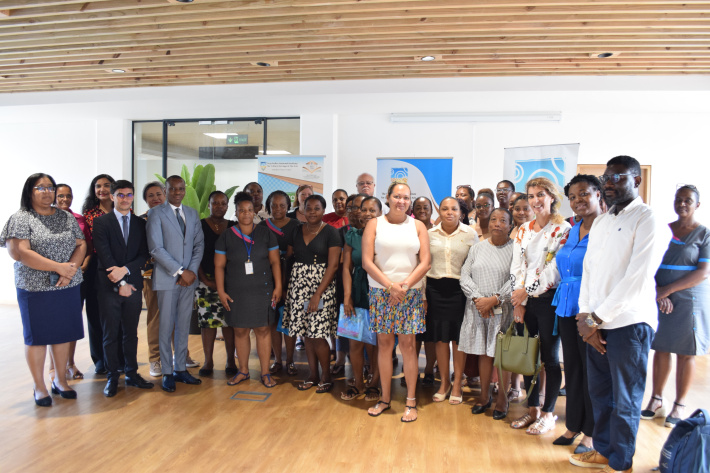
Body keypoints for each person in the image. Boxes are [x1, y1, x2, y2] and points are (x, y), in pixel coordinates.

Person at [570, 156, 670, 473]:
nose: (609, 183)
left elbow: (637, 278)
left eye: (618, 177)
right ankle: (603, 449)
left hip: (629, 324)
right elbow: (590, 272)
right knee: (601, 392)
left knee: (625, 397)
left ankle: (621, 461)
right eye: (607, 177)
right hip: (596, 323)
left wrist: (597, 318)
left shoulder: (647, 218)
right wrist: (586, 316)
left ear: (637, 181)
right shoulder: (601, 221)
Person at [1, 173, 86, 406]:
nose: (48, 192)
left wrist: (70, 271)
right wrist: (60, 268)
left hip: (66, 285)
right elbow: (21, 252)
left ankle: (60, 380)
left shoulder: (65, 218)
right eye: (41, 188)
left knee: (62, 335)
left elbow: (81, 244)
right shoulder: (21, 218)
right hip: (34, 288)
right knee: (37, 338)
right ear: (30, 191)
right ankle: (39, 386)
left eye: (50, 187)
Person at [362, 182, 431, 422]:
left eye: (406, 197)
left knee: (409, 346)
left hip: (409, 293)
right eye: (397, 196)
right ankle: (384, 398)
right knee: (384, 345)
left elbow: (425, 262)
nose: (401, 201)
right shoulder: (374, 224)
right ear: (388, 198)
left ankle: (411, 400)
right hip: (381, 293)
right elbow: (367, 262)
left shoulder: (418, 226)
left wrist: (404, 286)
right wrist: (391, 287)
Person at [642, 184, 710, 428]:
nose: (682, 204)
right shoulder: (665, 230)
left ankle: (679, 404)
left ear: (697, 205)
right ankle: (656, 399)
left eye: (688, 200)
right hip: (660, 296)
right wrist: (658, 294)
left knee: (685, 351)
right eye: (678, 199)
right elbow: (649, 262)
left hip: (690, 299)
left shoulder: (704, 234)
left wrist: (667, 290)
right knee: (661, 347)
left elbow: (703, 272)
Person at [510, 176, 571, 435]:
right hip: (526, 302)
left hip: (549, 302)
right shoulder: (523, 229)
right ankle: (533, 408)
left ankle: (548, 413)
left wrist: (528, 290)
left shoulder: (563, 229)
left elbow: (554, 269)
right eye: (531, 196)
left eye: (540, 195)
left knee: (549, 359)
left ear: (552, 197)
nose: (535, 201)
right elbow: (517, 266)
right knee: (528, 357)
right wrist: (520, 300)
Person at [551, 174, 604, 453]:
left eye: (584, 194)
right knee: (571, 369)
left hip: (591, 310)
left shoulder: (607, 228)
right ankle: (573, 425)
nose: (578, 201)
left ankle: (591, 435)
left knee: (591, 372)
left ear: (598, 194)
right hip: (567, 304)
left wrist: (594, 317)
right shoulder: (573, 228)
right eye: (572, 197)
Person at [92, 180, 154, 397]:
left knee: (131, 333)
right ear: (112, 196)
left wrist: (126, 272)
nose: (124, 198)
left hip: (134, 286)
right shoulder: (101, 223)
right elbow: (104, 253)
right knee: (110, 333)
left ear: (133, 197)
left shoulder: (140, 223)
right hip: (108, 286)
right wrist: (120, 282)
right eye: (120, 195)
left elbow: (144, 254)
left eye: (129, 195)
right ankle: (112, 377)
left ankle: (132, 373)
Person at [215, 192, 282, 388]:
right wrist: (221, 291)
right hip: (236, 291)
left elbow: (275, 261)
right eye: (242, 210)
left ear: (255, 212)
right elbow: (219, 266)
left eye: (250, 210)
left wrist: (278, 286)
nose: (246, 213)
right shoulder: (227, 236)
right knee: (240, 330)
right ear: (235, 212)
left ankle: (265, 373)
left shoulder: (266, 233)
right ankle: (243, 371)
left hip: (263, 290)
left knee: (263, 329)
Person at [146, 175, 205, 392]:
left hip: (188, 281)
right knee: (166, 326)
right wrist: (180, 271)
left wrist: (190, 272)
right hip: (167, 278)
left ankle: (181, 369)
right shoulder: (155, 213)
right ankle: (168, 372)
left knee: (183, 325)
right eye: (173, 189)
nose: (178, 192)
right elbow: (156, 248)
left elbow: (199, 244)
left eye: (181, 189)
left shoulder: (191, 213)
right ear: (166, 189)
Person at [283, 194, 342, 393]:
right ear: (303, 209)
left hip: (321, 286)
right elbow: (290, 258)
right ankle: (313, 374)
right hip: (298, 285)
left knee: (318, 335)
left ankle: (326, 376)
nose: (312, 212)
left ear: (323, 210)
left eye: (317, 208)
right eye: (309, 208)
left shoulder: (331, 233)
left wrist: (317, 294)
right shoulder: (296, 230)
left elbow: (333, 266)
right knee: (307, 334)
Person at [459, 208, 514, 418]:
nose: (497, 224)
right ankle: (484, 396)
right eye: (493, 220)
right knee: (482, 352)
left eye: (503, 220)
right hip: (479, 309)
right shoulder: (477, 248)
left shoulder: (515, 249)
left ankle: (502, 399)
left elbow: (516, 278)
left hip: (502, 310)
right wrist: (478, 299)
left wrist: (495, 299)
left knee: (502, 355)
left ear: (510, 225)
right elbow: (464, 275)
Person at [425, 197, 479, 405]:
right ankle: (444, 382)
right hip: (435, 289)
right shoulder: (429, 234)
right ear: (439, 212)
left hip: (460, 290)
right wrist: (422, 295)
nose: (449, 212)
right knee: (440, 338)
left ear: (461, 213)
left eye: (454, 209)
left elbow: (475, 264)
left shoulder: (470, 233)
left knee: (458, 339)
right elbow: (423, 264)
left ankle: (457, 383)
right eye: (445, 209)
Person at [341, 195, 382, 402]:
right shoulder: (352, 235)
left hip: (379, 293)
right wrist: (347, 298)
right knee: (354, 342)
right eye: (363, 209)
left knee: (375, 343)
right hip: (356, 292)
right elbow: (346, 268)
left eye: (372, 210)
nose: (367, 214)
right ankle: (357, 383)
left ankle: (374, 384)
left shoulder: (385, 235)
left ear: (380, 213)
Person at [50, 183, 90, 380]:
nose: (65, 200)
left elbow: (87, 246)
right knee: (53, 323)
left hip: (75, 278)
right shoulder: (45, 219)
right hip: (51, 278)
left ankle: (70, 363)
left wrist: (81, 266)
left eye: (68, 196)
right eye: (60, 196)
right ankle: (53, 368)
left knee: (72, 322)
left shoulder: (79, 219)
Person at [195, 191, 237, 378]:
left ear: (228, 206)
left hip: (230, 283)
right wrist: (205, 280)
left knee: (229, 323)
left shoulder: (234, 227)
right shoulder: (199, 225)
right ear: (209, 205)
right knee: (208, 323)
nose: (219, 206)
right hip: (206, 280)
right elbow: (194, 254)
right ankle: (208, 361)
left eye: (223, 203)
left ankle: (230, 360)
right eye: (215, 203)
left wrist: (228, 281)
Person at [260, 190, 299, 376]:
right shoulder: (262, 226)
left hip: (292, 278)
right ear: (268, 207)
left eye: (282, 205)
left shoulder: (297, 225)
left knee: (289, 320)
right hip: (267, 279)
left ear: (288, 206)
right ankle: (277, 360)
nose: (278, 209)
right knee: (273, 321)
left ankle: (290, 360)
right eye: (274, 205)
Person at [82, 173, 117, 375]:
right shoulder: (88, 214)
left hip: (118, 265)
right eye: (98, 186)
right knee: (95, 314)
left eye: (106, 185)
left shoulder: (124, 209)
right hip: (95, 265)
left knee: (116, 315)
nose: (102, 189)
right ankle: (100, 360)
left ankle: (118, 357)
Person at [140, 181, 167, 377]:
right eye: (151, 195)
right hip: (151, 275)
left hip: (176, 274)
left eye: (159, 194)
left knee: (176, 315)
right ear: (146, 200)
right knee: (156, 316)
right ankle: (155, 359)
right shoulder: (140, 221)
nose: (156, 198)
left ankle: (182, 355)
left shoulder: (175, 217)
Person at [410, 196, 437, 386]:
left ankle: (429, 370)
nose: (422, 210)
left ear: (431, 210)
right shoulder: (408, 230)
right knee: (412, 334)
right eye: (417, 207)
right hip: (412, 287)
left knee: (430, 334)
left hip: (434, 289)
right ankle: (410, 371)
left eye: (425, 207)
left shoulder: (437, 232)